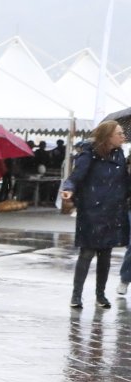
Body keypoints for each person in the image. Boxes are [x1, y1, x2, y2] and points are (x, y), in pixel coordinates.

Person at [61, 120, 131, 309]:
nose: (123, 136)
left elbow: (124, 182)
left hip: (112, 211)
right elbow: (76, 176)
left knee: (105, 254)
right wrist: (68, 189)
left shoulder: (119, 154)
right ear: (108, 136)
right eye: (119, 133)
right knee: (87, 252)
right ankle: (76, 296)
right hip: (91, 210)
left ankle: (100, 295)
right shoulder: (89, 153)